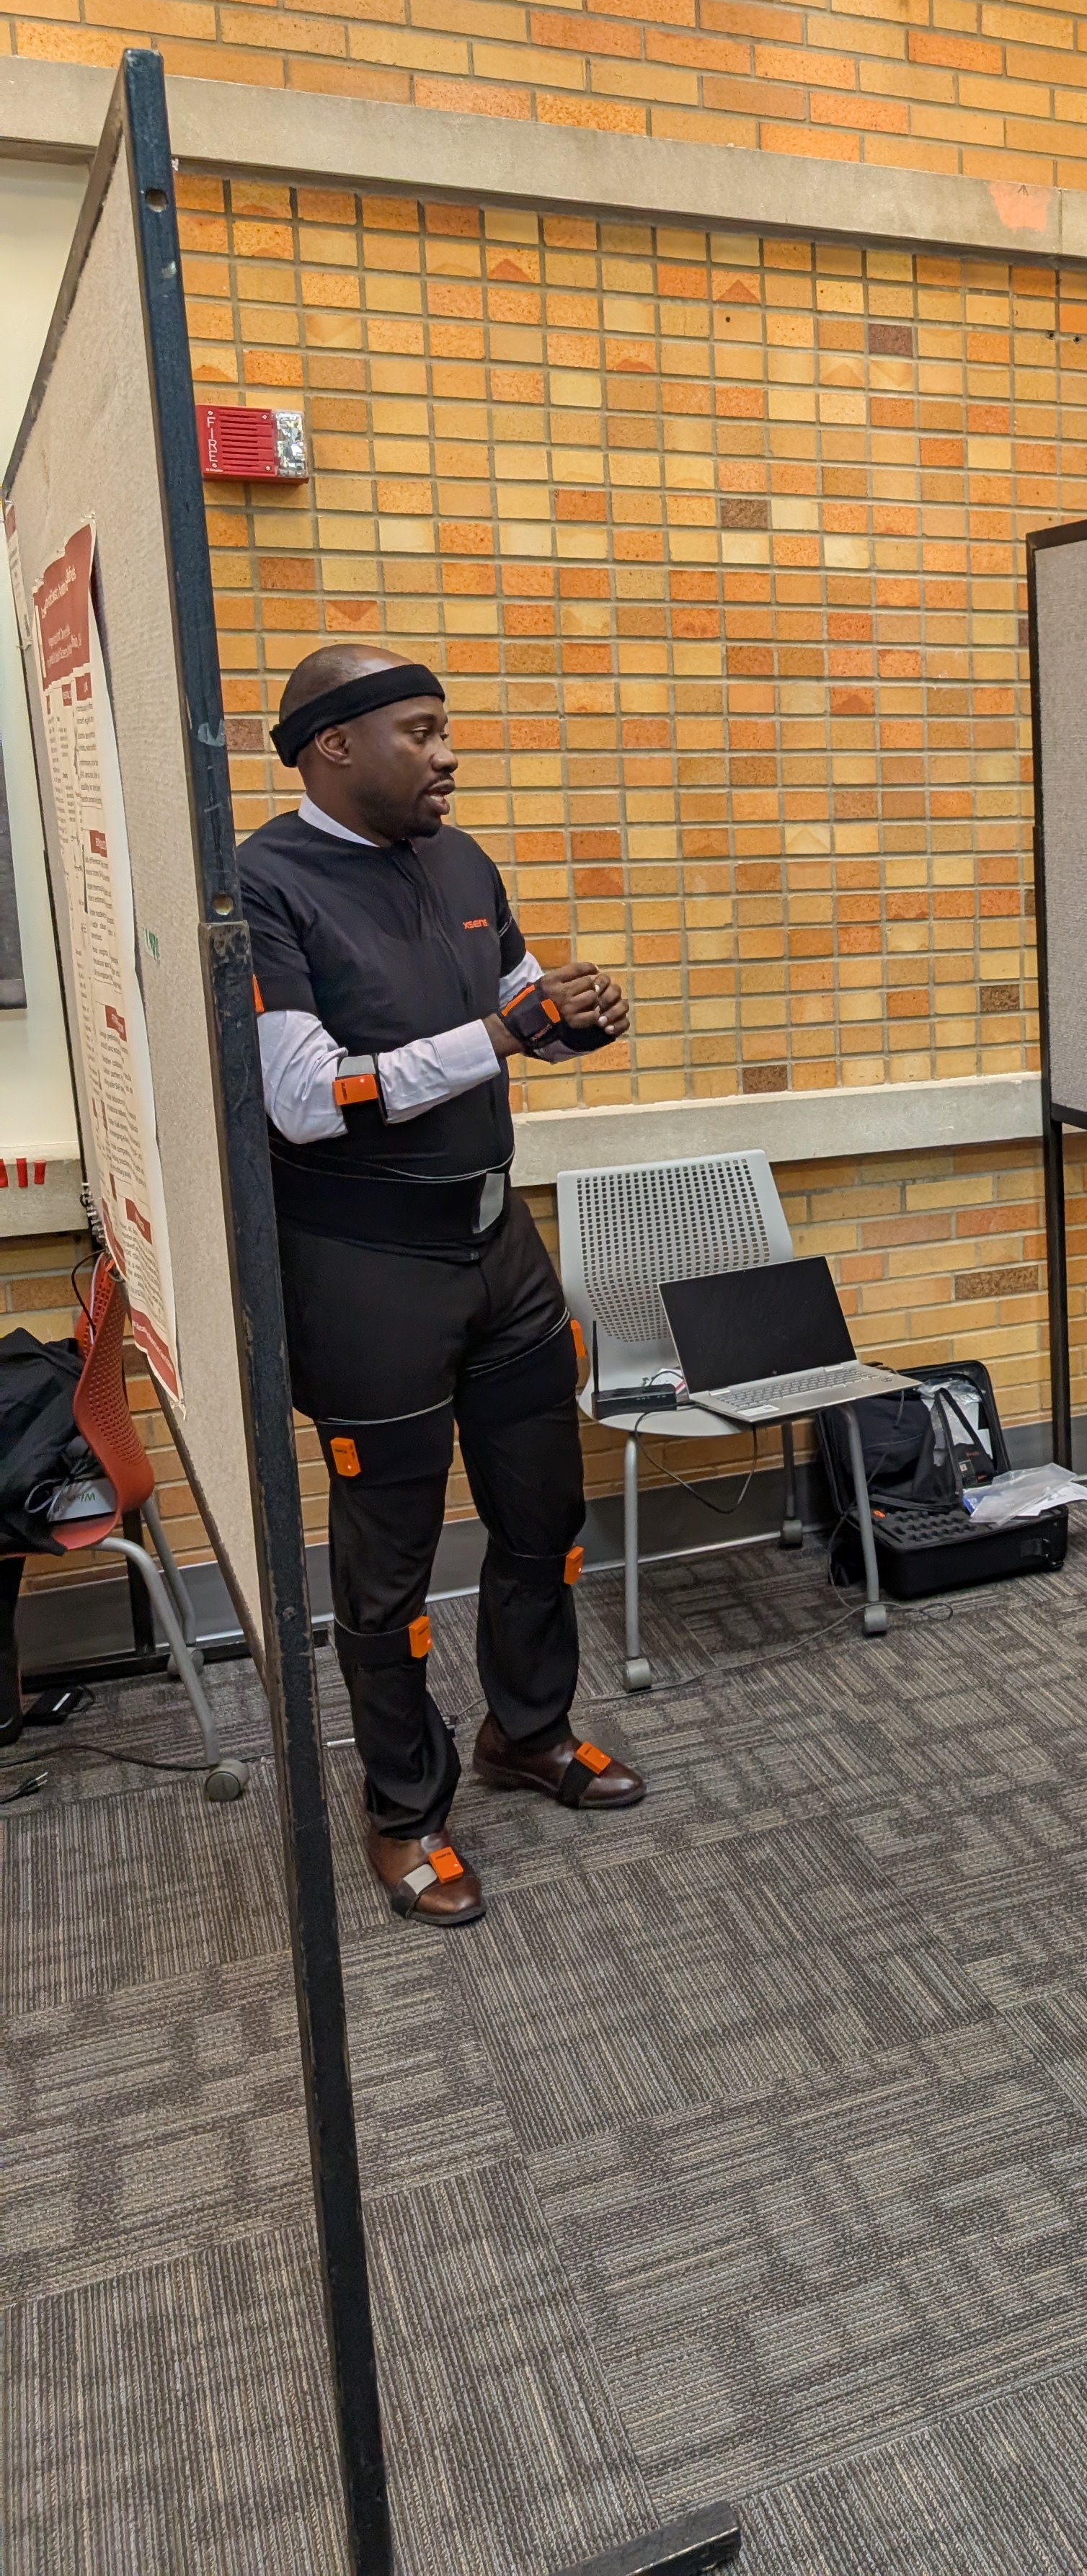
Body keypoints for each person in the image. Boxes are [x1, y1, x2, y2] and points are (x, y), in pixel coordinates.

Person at [239, 647, 646, 1928]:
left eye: (446, 730)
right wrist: (500, 1037)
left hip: (497, 1243)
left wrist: (567, 1010)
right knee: (388, 1574)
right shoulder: (262, 887)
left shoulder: (464, 864)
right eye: (418, 732)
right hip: (366, 1271)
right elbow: (305, 1101)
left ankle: (529, 1732)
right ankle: (404, 1813)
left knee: (546, 1519)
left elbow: (509, 991)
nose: (447, 753)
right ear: (332, 748)